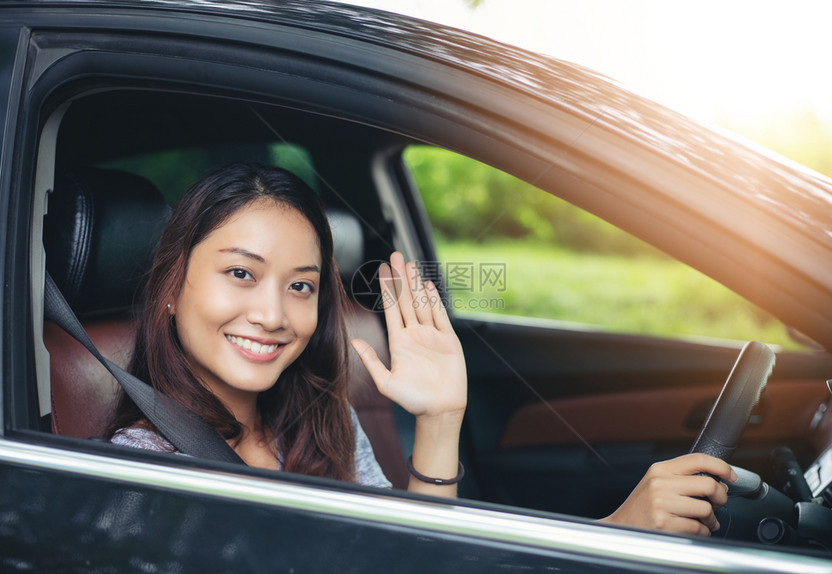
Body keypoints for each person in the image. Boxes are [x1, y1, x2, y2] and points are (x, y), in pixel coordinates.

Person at [106, 162, 735, 532]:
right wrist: (613, 537)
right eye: (240, 274)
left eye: (301, 286)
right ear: (169, 286)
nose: (273, 314)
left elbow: (413, 554)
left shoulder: (322, 420)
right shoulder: (138, 473)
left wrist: (439, 419)